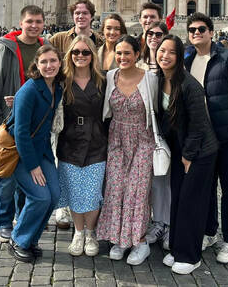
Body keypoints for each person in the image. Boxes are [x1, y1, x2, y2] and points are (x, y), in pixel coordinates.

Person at [184, 12, 228, 264]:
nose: (196, 33)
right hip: (201, 137)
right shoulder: (187, 59)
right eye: (192, 29)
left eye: (202, 29)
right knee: (206, 189)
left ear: (212, 32)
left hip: (226, 136)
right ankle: (210, 232)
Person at [0, 5, 46, 243]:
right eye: (30, 21)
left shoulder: (42, 48)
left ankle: (21, 216)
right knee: (6, 176)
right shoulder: (6, 49)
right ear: (21, 23)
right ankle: (3, 221)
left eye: (38, 21)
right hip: (8, 124)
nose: (34, 25)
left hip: (34, 125)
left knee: (25, 174)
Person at [157, 35, 218, 275]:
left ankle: (191, 255)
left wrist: (189, 155)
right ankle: (177, 247)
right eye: (162, 50)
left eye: (172, 52)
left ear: (180, 55)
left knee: (191, 203)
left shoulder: (190, 84)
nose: (165, 55)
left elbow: (199, 124)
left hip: (199, 152)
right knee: (178, 200)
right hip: (179, 149)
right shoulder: (162, 80)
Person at [97, 35, 157, 266]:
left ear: (137, 54)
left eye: (127, 53)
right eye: (119, 53)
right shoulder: (110, 77)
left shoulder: (150, 79)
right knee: (115, 188)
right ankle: (120, 238)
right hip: (116, 139)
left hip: (143, 138)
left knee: (138, 192)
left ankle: (140, 241)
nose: (122, 57)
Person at [7, 45, 64, 262]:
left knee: (55, 196)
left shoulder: (56, 88)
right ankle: (18, 240)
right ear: (37, 65)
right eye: (44, 62)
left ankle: (31, 239)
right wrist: (33, 166)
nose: (49, 66)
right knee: (41, 197)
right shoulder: (29, 90)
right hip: (22, 156)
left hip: (43, 152)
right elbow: (20, 133)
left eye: (53, 61)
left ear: (59, 63)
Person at [50, 0, 102, 229]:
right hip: (67, 113)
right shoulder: (57, 39)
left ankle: (87, 224)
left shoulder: (100, 40)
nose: (81, 17)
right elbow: (45, 67)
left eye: (85, 13)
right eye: (77, 13)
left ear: (91, 15)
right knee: (66, 166)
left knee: (91, 173)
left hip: (91, 116)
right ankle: (64, 209)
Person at [57, 36, 106, 257]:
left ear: (93, 55)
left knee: (93, 191)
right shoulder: (62, 80)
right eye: (76, 52)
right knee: (75, 190)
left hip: (97, 141)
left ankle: (91, 231)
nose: (80, 56)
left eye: (85, 52)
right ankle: (79, 232)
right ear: (70, 55)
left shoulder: (103, 80)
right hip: (70, 141)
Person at [136, 20, 170, 250]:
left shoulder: (173, 64)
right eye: (150, 33)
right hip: (140, 130)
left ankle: (163, 222)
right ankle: (144, 222)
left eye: (159, 34)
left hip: (165, 129)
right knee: (142, 180)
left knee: (162, 179)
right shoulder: (137, 63)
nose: (154, 37)